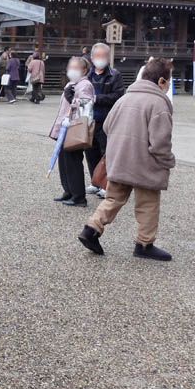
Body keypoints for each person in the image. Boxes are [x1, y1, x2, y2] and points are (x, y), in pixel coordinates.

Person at [78, 58, 176, 261]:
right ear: (161, 81)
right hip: (145, 162)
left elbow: (107, 127)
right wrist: (168, 161)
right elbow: (160, 142)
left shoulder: (124, 98)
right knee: (148, 203)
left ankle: (91, 229)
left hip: (120, 157)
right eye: (168, 80)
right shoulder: (158, 103)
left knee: (113, 198)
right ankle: (144, 244)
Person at [51, 57, 95, 206]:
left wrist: (73, 99)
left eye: (75, 67)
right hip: (65, 127)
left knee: (73, 162)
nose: (72, 70)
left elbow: (86, 105)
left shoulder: (85, 85)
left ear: (84, 70)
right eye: (70, 66)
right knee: (64, 162)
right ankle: (68, 190)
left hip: (74, 128)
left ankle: (78, 196)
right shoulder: (71, 83)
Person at [84, 43, 125, 197]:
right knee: (90, 151)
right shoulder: (87, 75)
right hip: (89, 120)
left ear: (107, 57)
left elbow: (118, 96)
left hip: (107, 120)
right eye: (97, 55)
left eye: (103, 55)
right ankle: (95, 181)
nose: (99, 59)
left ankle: (105, 184)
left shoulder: (115, 75)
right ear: (92, 57)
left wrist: (97, 99)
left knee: (106, 153)